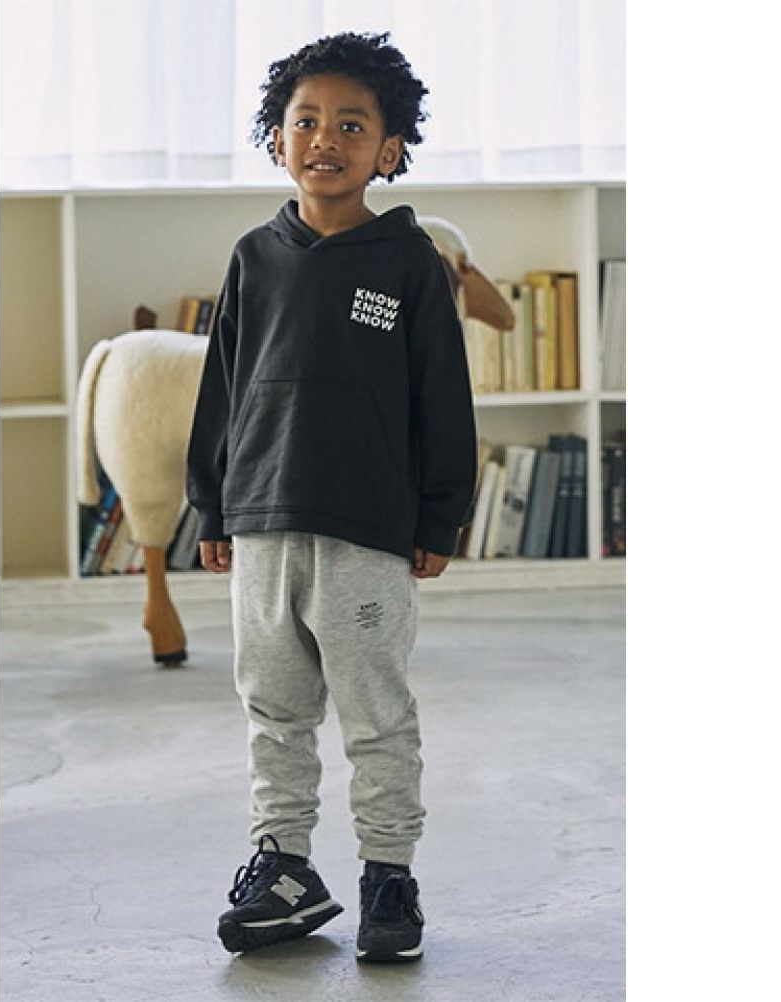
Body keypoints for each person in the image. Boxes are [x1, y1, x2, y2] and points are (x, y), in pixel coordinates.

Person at [186, 31, 492, 964]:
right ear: (277, 138)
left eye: (352, 125)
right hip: (263, 525)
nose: (326, 138)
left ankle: (388, 876)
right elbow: (223, 389)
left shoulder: (410, 262)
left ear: (389, 150)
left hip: (366, 534)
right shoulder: (255, 257)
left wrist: (439, 514)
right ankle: (283, 868)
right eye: (306, 121)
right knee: (273, 712)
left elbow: (443, 396)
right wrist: (212, 505)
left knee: (375, 715)